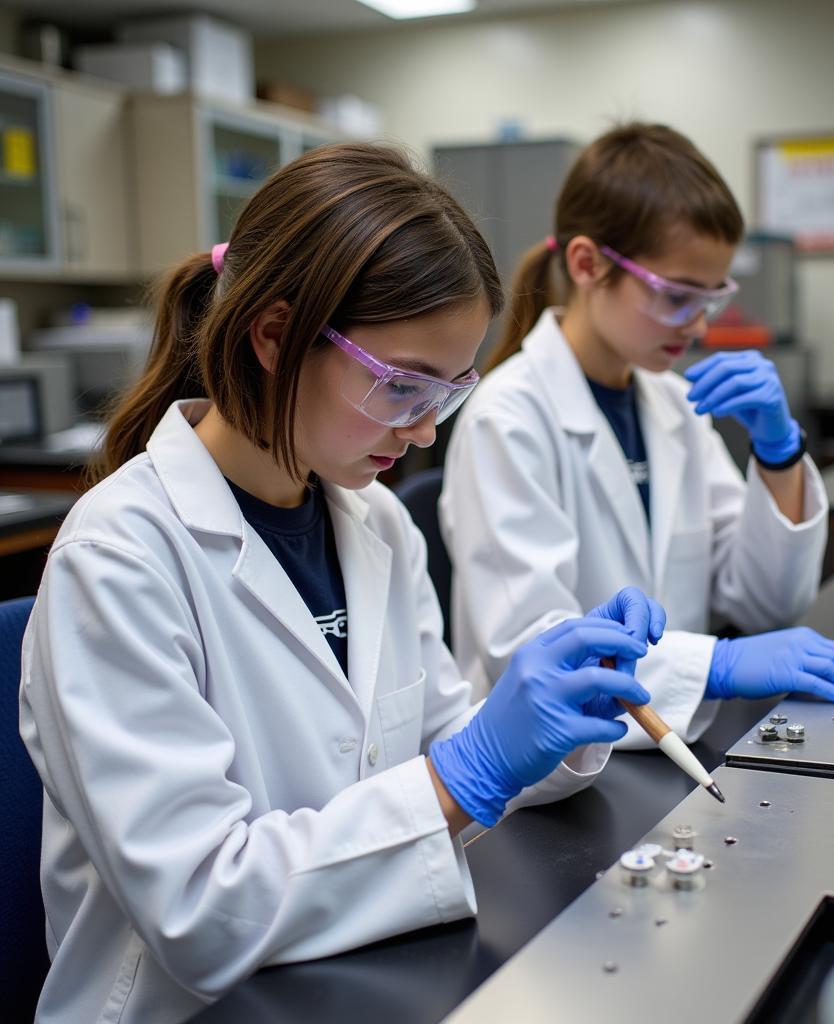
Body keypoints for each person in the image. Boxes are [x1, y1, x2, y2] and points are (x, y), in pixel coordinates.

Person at [18, 143, 665, 1024]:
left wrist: (552, 707)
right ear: (276, 335)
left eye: (448, 393)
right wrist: (467, 772)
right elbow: (200, 908)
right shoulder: (121, 556)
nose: (426, 432)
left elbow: (443, 741)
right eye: (403, 386)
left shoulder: (377, 524)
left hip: (359, 972)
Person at [440, 123, 834, 747]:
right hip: (550, 775)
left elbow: (764, 606)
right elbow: (528, 648)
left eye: (711, 298)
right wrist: (718, 667)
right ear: (588, 264)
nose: (698, 326)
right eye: (677, 296)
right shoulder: (508, 416)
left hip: (674, 741)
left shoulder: (674, 404)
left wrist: (779, 453)